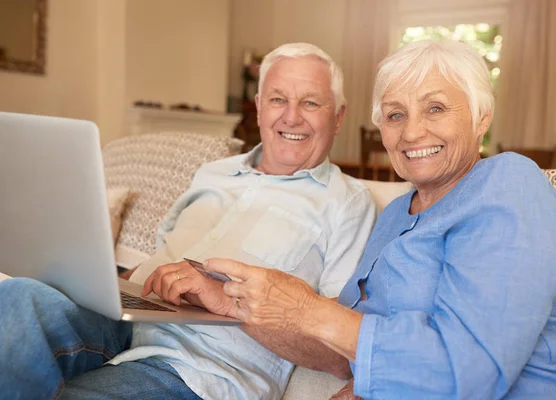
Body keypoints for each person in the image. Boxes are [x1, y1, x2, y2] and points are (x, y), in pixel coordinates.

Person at [184, 40, 556, 399]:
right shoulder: (399, 213)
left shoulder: (509, 184)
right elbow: (343, 349)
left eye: (435, 108)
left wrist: (307, 308)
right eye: (395, 114)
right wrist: (230, 303)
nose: (412, 133)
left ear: (481, 116)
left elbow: (470, 373)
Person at [0, 43, 377, 400]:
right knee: (17, 296)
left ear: (339, 115)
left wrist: (227, 299)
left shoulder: (348, 202)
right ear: (260, 107)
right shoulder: (212, 172)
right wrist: (86, 270)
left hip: (196, 367)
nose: (291, 116)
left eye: (310, 102)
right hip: (118, 317)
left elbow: (339, 354)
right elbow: (159, 257)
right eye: (278, 99)